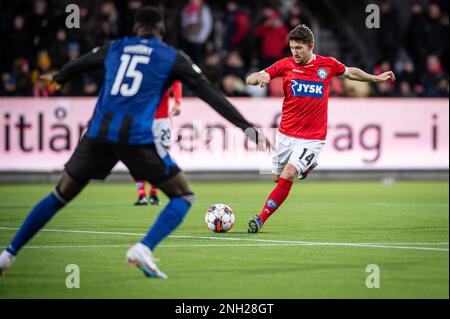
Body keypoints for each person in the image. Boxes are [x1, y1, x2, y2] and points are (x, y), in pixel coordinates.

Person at [0, 7, 262, 279]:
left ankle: (7, 254)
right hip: (134, 137)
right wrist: (247, 128)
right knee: (183, 195)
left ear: (135, 29)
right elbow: (211, 94)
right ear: (161, 30)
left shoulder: (116, 47)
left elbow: (79, 64)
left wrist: (58, 78)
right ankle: (143, 249)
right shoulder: (171, 56)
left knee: (59, 194)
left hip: (97, 134)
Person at [246, 24, 395, 233]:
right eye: (292, 48)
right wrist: (259, 77)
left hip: (313, 137)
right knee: (276, 178)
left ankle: (260, 218)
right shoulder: (285, 65)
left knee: (289, 174)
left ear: (311, 46)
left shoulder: (328, 65)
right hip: (286, 134)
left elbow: (350, 72)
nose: (295, 53)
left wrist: (376, 78)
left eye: (299, 48)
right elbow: (252, 77)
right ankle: (308, 166)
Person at [134, 80, 182, 206]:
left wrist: (177, 102)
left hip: (162, 120)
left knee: (161, 156)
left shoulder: (163, 67)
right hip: (143, 119)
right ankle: (141, 194)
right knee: (138, 156)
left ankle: (153, 193)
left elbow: (176, 82)